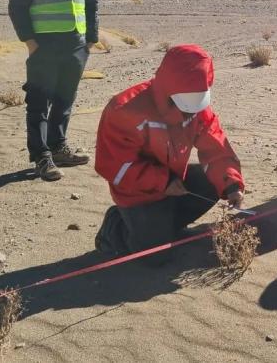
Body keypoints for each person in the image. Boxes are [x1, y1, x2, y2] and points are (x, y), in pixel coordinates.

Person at [94, 45, 246, 263]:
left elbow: (215, 147)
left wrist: (231, 184)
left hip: (174, 181)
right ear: (169, 90)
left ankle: (159, 226)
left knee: (214, 182)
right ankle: (117, 227)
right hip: (137, 191)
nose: (190, 113)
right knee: (155, 258)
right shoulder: (124, 110)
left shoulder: (198, 110)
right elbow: (115, 167)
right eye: (186, 105)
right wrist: (163, 181)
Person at [7, 0, 98, 181]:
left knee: (64, 100)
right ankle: (41, 157)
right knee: (38, 103)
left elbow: (92, 6)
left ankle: (58, 147)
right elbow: (17, 8)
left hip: (76, 47)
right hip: (44, 48)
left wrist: (90, 41)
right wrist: (31, 43)